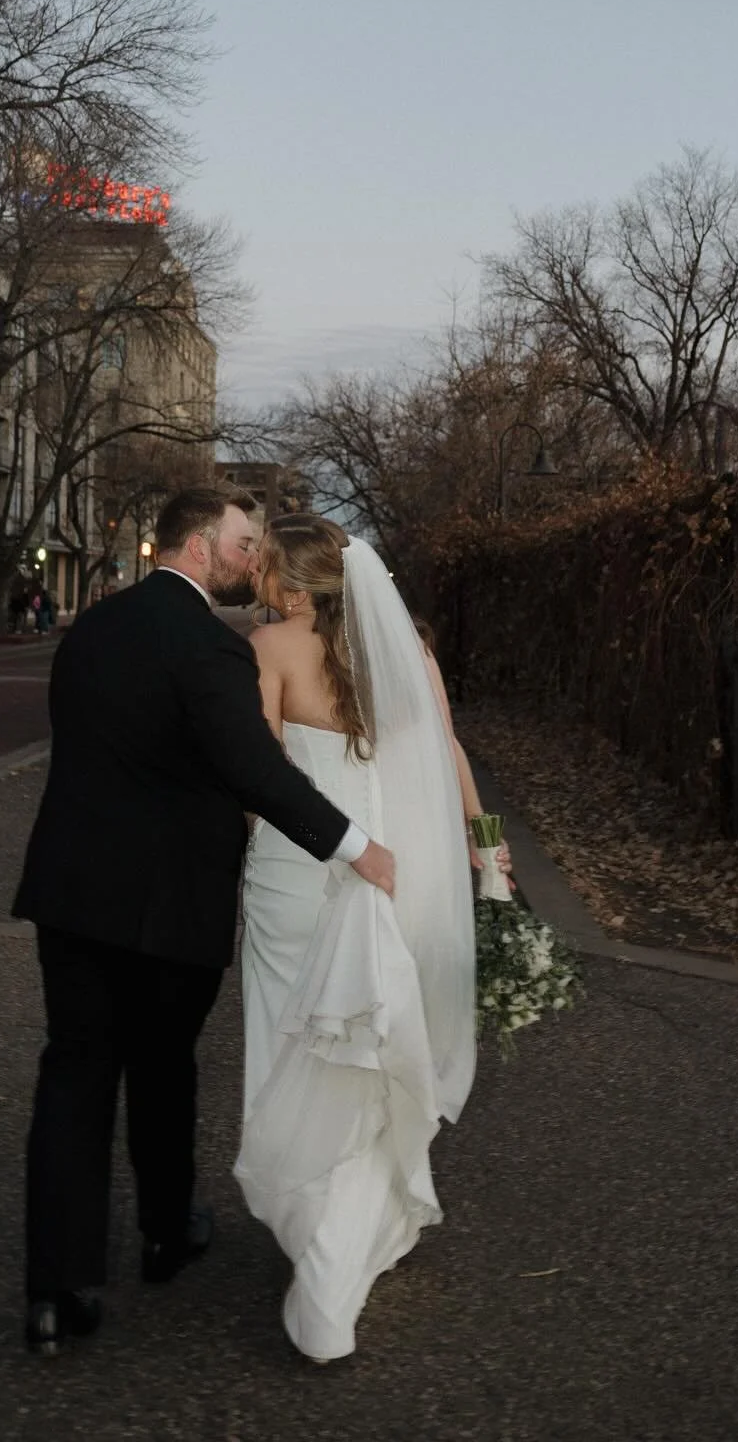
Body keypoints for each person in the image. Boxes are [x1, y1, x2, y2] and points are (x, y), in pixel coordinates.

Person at [12, 486, 397, 1357]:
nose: (250, 557)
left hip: (69, 895)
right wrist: (353, 846)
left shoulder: (91, 631)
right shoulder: (207, 649)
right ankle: (163, 1230)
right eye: (241, 542)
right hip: (172, 902)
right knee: (162, 1067)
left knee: (72, 1078)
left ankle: (53, 1290)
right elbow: (256, 770)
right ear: (196, 546)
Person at [235, 514, 508, 1362]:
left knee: (291, 1051)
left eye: (267, 573)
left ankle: (322, 1258)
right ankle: (348, 1235)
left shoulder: (271, 649)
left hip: (293, 881)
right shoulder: (409, 652)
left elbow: (259, 777)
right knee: (368, 1052)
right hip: (393, 876)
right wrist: (487, 841)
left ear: (289, 581)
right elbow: (449, 750)